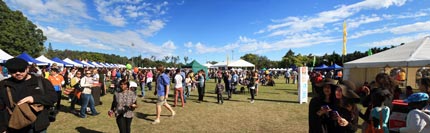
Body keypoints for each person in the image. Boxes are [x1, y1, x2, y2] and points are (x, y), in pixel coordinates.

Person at [0, 58, 57, 132]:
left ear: (27, 69)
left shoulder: (41, 81)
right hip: (16, 126)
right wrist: (2, 128)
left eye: (21, 70)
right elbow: (1, 108)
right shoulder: (3, 84)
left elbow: (53, 97)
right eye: (13, 71)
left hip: (38, 125)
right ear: (9, 71)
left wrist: (33, 98)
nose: (17, 73)